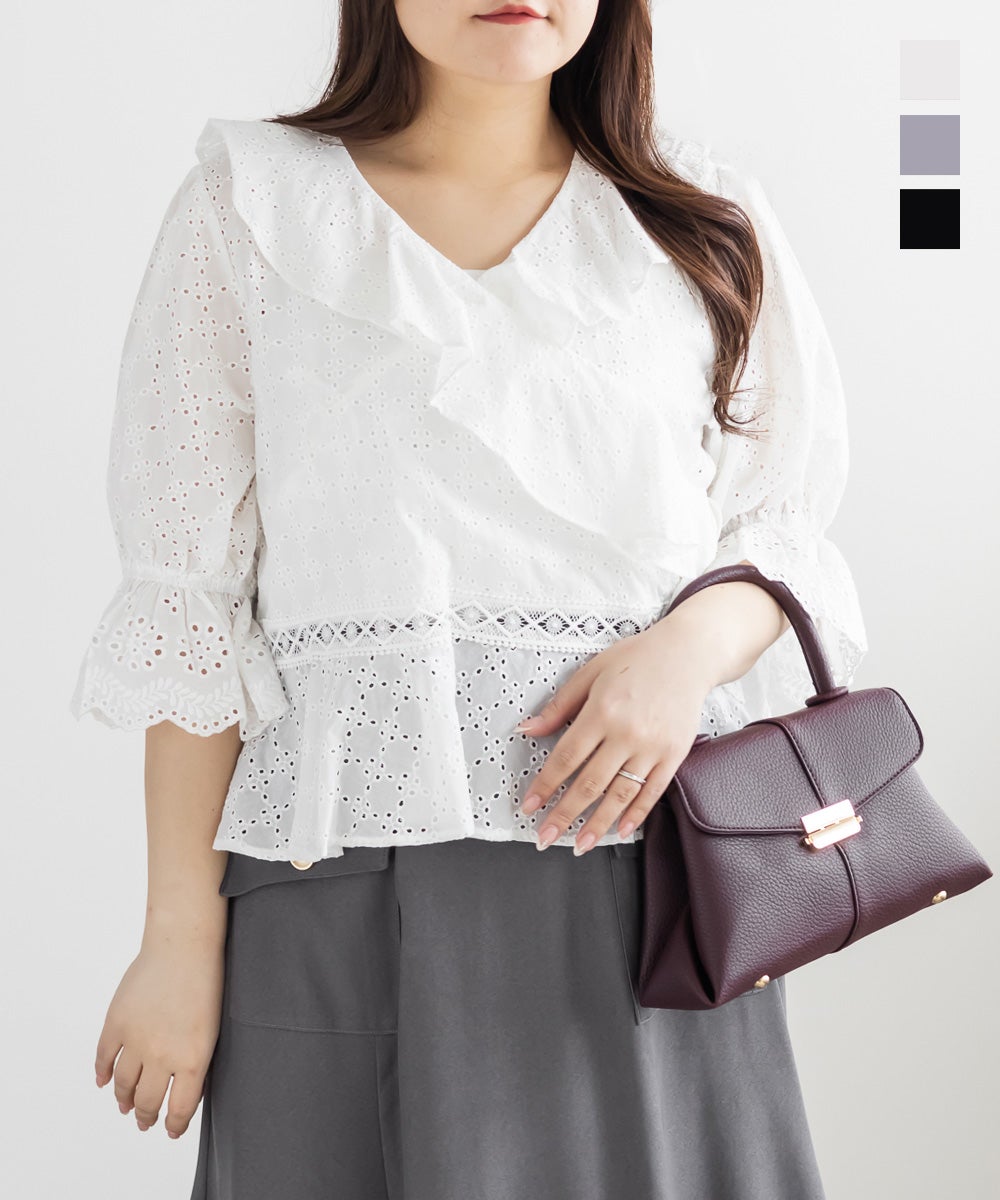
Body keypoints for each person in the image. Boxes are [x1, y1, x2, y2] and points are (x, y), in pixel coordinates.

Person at [69, 2, 868, 1197]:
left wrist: (682, 654)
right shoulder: (252, 207)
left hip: (647, 888)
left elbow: (784, 528)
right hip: (332, 895)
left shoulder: (700, 218)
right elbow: (191, 600)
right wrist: (178, 937)